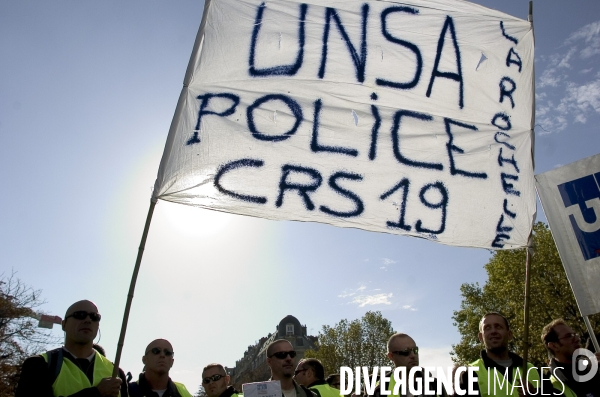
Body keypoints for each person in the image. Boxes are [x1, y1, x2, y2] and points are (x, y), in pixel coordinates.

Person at [15, 299, 128, 397]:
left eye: (94, 317)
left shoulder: (116, 372)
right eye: (80, 315)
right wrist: (97, 393)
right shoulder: (39, 365)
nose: (88, 320)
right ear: (64, 325)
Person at [459, 312, 544, 396]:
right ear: (481, 337)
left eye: (498, 326)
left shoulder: (533, 370)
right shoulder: (470, 374)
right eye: (487, 328)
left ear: (509, 334)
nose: (493, 331)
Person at [371, 332, 448, 397]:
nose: (413, 355)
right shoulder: (381, 388)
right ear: (391, 356)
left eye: (415, 350)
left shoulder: (435, 386)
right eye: (405, 352)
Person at [542, 319, 600, 397]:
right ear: (554, 346)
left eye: (575, 334)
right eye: (568, 336)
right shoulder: (550, 385)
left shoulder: (592, 368)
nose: (577, 339)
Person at [128, 339, 193, 397]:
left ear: (172, 362)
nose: (162, 355)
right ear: (144, 359)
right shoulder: (125, 391)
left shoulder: (182, 392)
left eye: (168, 352)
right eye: (156, 351)